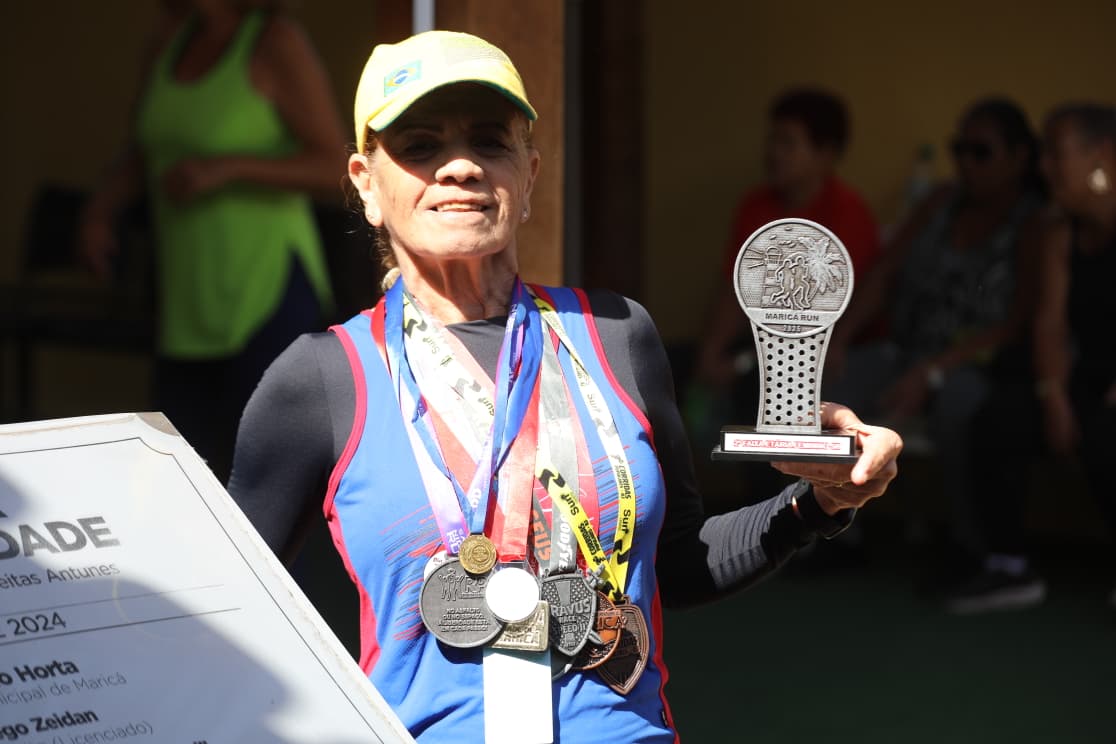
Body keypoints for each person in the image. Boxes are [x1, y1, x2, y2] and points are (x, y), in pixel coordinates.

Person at [228, 30, 902, 742]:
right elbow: (223, 609)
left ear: (530, 175)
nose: (459, 166)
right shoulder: (320, 379)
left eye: (490, 143)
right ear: (366, 183)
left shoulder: (615, 334)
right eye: (420, 146)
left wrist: (819, 502)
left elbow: (675, 565)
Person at [79, 0, 345, 482]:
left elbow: (336, 168)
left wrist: (228, 169)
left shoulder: (274, 41)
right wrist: (101, 209)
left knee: (264, 481)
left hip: (266, 289)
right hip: (187, 295)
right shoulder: (168, 38)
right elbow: (148, 147)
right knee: (176, 476)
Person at [824, 98, 1045, 553]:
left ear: (1020, 157)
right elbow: (885, 274)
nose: (965, 162)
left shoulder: (1034, 221)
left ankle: (972, 547)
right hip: (904, 351)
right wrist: (840, 338)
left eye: (980, 152)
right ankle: (832, 531)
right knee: (832, 386)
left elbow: (1017, 323)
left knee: (959, 404)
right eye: (958, 149)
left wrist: (933, 372)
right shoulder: (942, 201)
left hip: (977, 362)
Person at [946, 103, 1116, 614]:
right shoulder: (1061, 229)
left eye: (1056, 154)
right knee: (1001, 419)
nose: (1044, 167)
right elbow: (1049, 322)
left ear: (1103, 156)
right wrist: (1054, 399)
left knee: (1110, 434)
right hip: (1086, 376)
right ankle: (1008, 567)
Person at [691, 89, 880, 503]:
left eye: (787, 142)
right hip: (769, 347)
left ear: (826, 153)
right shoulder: (757, 207)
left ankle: (808, 517)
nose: (772, 153)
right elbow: (736, 288)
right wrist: (713, 350)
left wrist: (837, 343)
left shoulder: (848, 212)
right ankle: (758, 515)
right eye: (771, 140)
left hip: (839, 351)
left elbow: (865, 291)